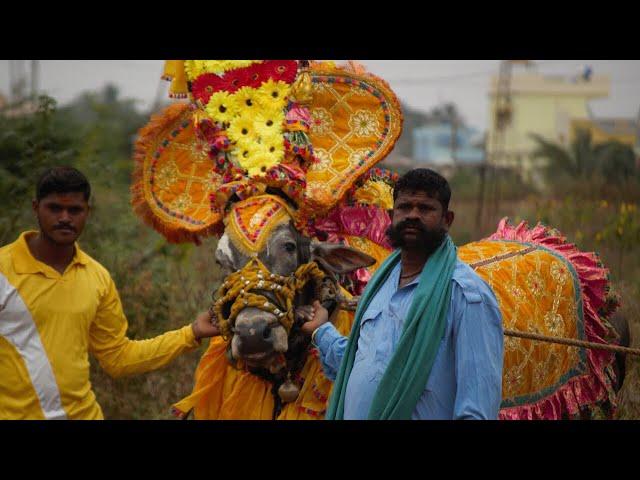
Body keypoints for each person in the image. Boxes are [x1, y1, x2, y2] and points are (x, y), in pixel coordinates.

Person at [0, 166, 219, 420]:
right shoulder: (4, 269)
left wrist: (191, 333)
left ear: (87, 213)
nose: (64, 217)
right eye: (54, 208)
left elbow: (119, 357)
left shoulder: (96, 277)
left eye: (74, 210)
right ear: (36, 207)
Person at [300, 168, 504, 419]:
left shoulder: (465, 294)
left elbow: (477, 405)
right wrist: (321, 331)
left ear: (447, 220)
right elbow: (362, 365)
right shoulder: (380, 283)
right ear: (391, 215)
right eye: (405, 207)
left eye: (425, 208)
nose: (413, 216)